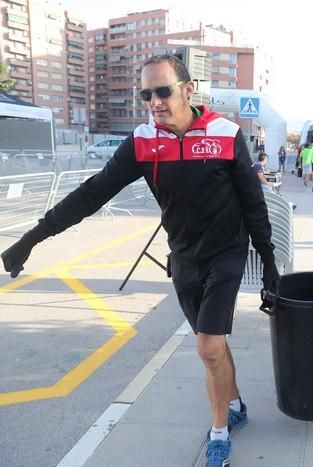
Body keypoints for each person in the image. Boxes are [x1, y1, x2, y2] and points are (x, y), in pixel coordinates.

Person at [0, 54, 279, 467]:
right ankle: (235, 405)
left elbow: (253, 203)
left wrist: (270, 265)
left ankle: (219, 431)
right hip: (183, 257)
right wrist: (32, 238)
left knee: (206, 345)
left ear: (187, 90)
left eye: (163, 91)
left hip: (227, 253)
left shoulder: (225, 133)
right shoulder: (144, 141)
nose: (154, 101)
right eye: (147, 94)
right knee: (214, 345)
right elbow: (91, 194)